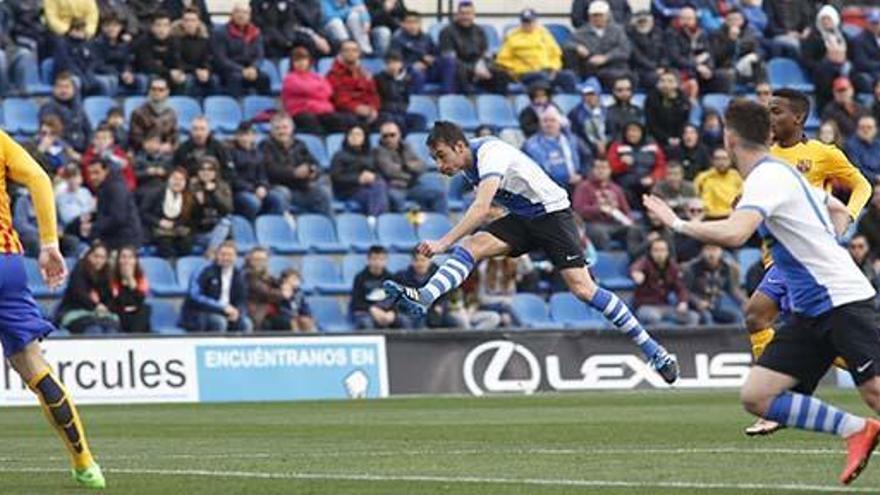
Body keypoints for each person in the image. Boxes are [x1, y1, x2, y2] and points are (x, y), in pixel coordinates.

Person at [642, 98, 880, 485]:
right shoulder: (779, 174)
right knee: (759, 395)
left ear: (730, 138)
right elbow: (837, 208)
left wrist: (677, 224)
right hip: (810, 309)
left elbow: (736, 233)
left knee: (874, 391)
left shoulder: (767, 178)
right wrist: (828, 238)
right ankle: (856, 430)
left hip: (840, 299)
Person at [383, 121, 679, 382]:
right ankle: (425, 296)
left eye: (441, 156)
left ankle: (654, 351)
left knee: (584, 290)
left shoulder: (490, 153)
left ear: (460, 146)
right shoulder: (469, 164)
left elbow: (482, 208)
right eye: (435, 159)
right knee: (472, 246)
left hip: (553, 216)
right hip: (525, 218)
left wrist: (442, 242)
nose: (439, 164)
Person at [737, 88, 875, 434]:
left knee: (756, 314)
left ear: (798, 118)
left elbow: (861, 185)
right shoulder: (763, 158)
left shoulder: (821, 153)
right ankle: (781, 397)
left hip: (806, 258)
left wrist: (847, 220)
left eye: (776, 111)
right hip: (778, 256)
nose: (769, 118)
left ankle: (775, 403)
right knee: (785, 325)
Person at [0, 128, 105, 486]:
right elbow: (40, 178)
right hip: (7, 262)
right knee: (33, 364)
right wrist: (48, 243)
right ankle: (85, 463)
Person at [261, 114, 332, 215]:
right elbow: (270, 170)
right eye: (277, 128)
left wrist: (312, 171)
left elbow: (315, 164)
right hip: (277, 188)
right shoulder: (265, 146)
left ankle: (326, 226)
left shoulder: (300, 144)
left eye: (285, 127)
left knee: (322, 192)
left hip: (300, 188)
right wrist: (294, 173)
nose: (282, 131)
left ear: (291, 128)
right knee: (282, 193)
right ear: (272, 131)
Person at [495, 9, 577, 94]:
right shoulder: (513, 37)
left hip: (548, 71)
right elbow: (502, 61)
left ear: (535, 21)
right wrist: (517, 71)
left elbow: (556, 54)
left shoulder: (544, 33)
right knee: (541, 77)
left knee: (568, 76)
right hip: (526, 73)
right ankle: (547, 101)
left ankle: (570, 103)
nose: (528, 25)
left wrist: (554, 69)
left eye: (530, 22)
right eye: (525, 22)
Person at [374, 120, 448, 214]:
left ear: (399, 135)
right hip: (393, 188)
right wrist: (411, 169)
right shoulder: (378, 151)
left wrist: (406, 167)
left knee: (438, 194)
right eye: (385, 136)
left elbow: (422, 166)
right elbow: (390, 171)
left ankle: (442, 223)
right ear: (381, 137)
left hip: (412, 186)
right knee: (397, 201)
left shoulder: (406, 147)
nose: (389, 138)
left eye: (392, 135)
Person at [181, 240, 252, 332]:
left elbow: (242, 299)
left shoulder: (239, 274)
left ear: (236, 257)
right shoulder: (203, 270)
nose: (226, 258)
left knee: (246, 323)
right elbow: (195, 296)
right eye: (223, 254)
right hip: (202, 312)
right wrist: (221, 307)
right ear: (217, 255)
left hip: (228, 312)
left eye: (230, 255)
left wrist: (238, 312)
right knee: (219, 322)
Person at [438, 0, 508, 94]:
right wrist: (473, 69)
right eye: (462, 13)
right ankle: (466, 103)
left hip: (479, 68)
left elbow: (485, 53)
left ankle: (498, 104)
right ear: (457, 14)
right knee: (458, 70)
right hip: (460, 69)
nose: (465, 17)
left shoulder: (479, 31)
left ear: (473, 15)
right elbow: (450, 59)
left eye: (468, 13)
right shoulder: (446, 32)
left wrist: (482, 65)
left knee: (501, 75)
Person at [281, 46, 354, 135]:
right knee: (311, 122)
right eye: (297, 61)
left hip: (320, 110)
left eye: (304, 60)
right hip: (300, 111)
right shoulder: (289, 78)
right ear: (292, 63)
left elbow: (328, 91)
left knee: (336, 121)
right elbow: (304, 89)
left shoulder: (317, 76)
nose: (301, 63)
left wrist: (312, 90)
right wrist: (317, 89)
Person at [630, 238, 700, 326]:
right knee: (652, 317)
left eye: (662, 250)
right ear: (650, 252)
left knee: (693, 317)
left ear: (667, 252)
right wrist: (636, 273)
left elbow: (681, 288)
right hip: (645, 306)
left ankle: (687, 340)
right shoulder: (645, 263)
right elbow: (636, 267)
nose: (659, 254)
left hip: (665, 306)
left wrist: (683, 302)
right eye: (656, 250)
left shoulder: (672, 267)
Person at [564, 0, 631, 89]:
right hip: (594, 70)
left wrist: (606, 58)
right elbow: (566, 44)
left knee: (631, 77)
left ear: (607, 16)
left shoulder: (617, 31)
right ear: (589, 17)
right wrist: (577, 47)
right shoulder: (581, 32)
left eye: (600, 15)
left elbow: (625, 50)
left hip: (615, 66)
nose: (597, 18)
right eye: (594, 15)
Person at [522, 105, 590, 191]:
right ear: (540, 124)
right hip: (546, 189)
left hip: (575, 185)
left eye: (552, 120)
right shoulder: (530, 145)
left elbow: (587, 158)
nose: (549, 124)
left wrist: (581, 175)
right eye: (545, 121)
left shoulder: (573, 140)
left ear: (559, 123)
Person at [572, 158, 634, 250]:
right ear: (592, 170)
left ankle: (633, 260)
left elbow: (626, 210)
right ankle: (605, 260)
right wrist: (599, 209)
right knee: (600, 232)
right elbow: (578, 210)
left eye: (604, 168)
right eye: (598, 168)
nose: (601, 171)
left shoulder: (616, 189)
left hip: (615, 224)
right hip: (592, 224)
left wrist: (630, 221)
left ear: (610, 170)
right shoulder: (583, 187)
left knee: (634, 230)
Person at [229, 123, 285, 221]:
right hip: (239, 192)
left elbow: (263, 175)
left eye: (249, 135)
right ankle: (250, 227)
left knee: (278, 199)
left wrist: (263, 186)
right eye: (242, 135)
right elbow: (232, 178)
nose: (245, 138)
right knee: (253, 202)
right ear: (236, 136)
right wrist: (253, 189)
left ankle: (270, 226)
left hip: (257, 189)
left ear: (254, 137)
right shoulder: (229, 152)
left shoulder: (258, 153)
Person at [390, 10, 456, 94]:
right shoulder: (398, 39)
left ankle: (448, 95)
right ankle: (418, 102)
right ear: (403, 24)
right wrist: (412, 65)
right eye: (409, 22)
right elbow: (395, 62)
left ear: (420, 24)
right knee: (417, 72)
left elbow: (438, 54)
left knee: (449, 59)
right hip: (411, 72)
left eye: (416, 22)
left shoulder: (426, 37)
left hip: (429, 70)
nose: (413, 25)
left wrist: (433, 59)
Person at [330, 125, 389, 216]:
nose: (354, 137)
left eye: (358, 135)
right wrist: (358, 179)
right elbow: (336, 177)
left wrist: (373, 176)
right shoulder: (339, 156)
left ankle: (375, 219)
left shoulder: (371, 154)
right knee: (376, 194)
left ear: (364, 138)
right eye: (351, 134)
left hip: (370, 187)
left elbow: (381, 172)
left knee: (380, 185)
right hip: (350, 191)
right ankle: (376, 220)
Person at [84, 159, 143, 250]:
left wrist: (94, 227)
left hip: (124, 241)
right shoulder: (105, 187)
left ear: (106, 171)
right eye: (90, 173)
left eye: (96, 173)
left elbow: (118, 217)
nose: (92, 177)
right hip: (116, 237)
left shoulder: (115, 188)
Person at [214, 2, 270, 97]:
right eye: (238, 12)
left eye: (245, 13)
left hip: (250, 68)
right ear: (232, 15)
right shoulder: (220, 32)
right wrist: (242, 70)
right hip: (230, 69)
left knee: (264, 78)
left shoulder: (255, 32)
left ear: (249, 15)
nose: (241, 15)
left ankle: (265, 109)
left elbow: (260, 55)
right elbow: (221, 59)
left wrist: (253, 68)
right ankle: (237, 106)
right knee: (236, 78)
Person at [607, 120, 667, 208]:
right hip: (625, 184)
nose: (632, 134)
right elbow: (611, 167)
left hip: (648, 182)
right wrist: (623, 164)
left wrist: (653, 178)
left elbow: (661, 165)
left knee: (657, 191)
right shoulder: (617, 146)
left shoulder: (652, 146)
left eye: (635, 131)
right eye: (629, 131)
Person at [684, 243, 746, 324]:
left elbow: (732, 290)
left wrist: (744, 302)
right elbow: (685, 291)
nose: (711, 254)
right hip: (698, 306)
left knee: (738, 316)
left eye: (715, 250)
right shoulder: (691, 268)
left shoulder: (727, 268)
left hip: (717, 305)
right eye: (708, 249)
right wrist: (697, 302)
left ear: (721, 252)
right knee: (707, 317)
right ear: (702, 252)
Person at [141, 168, 194, 258]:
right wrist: (159, 222)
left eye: (181, 180)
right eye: (175, 178)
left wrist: (176, 225)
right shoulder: (156, 193)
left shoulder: (187, 197)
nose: (177, 182)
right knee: (166, 243)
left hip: (176, 230)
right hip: (156, 229)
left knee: (186, 244)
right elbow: (143, 213)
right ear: (168, 179)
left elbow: (188, 219)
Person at [327, 40, 381, 127]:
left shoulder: (365, 73)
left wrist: (372, 108)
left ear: (359, 53)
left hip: (367, 110)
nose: (350, 53)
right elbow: (339, 99)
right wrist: (357, 108)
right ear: (341, 53)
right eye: (347, 50)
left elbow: (373, 94)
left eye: (354, 50)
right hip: (345, 112)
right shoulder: (333, 74)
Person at [252, 0, 331, 59]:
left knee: (331, 43)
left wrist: (289, 38)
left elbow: (289, 21)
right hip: (270, 34)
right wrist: (284, 39)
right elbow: (263, 24)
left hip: (287, 33)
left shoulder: (315, 3)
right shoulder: (258, 2)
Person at [53, 19, 112, 96]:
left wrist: (89, 72)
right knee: (76, 81)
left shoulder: (88, 44)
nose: (79, 32)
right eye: (77, 29)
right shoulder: (62, 43)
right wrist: (81, 75)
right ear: (70, 30)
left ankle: (103, 105)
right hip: (67, 75)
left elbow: (94, 61)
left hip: (86, 74)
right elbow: (66, 63)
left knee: (105, 82)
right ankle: (77, 106)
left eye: (82, 30)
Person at [38, 72, 92, 153]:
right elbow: (51, 135)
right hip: (61, 152)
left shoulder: (79, 107)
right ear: (54, 89)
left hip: (82, 151)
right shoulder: (48, 108)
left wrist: (89, 151)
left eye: (67, 87)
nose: (63, 90)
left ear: (74, 89)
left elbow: (88, 129)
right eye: (60, 87)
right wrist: (69, 151)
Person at [189, 157, 233, 255]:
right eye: (202, 169)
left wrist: (213, 193)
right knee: (223, 244)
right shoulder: (191, 187)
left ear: (215, 172)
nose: (206, 172)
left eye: (210, 169)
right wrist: (198, 203)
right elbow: (189, 214)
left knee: (225, 222)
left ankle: (211, 251)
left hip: (218, 231)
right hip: (199, 232)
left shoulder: (222, 186)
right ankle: (213, 250)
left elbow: (227, 209)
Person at [374, 50, 426, 133]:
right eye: (389, 63)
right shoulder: (378, 78)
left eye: (395, 62)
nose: (392, 66)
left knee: (419, 119)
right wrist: (393, 79)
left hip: (402, 111)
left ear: (401, 64)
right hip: (386, 112)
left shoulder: (407, 78)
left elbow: (408, 98)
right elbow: (380, 98)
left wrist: (399, 79)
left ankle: (414, 141)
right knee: (394, 119)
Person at [172, 7, 218, 97]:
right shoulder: (175, 40)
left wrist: (206, 70)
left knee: (214, 80)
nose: (190, 24)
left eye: (193, 20)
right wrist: (195, 71)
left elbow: (208, 58)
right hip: (185, 72)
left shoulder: (205, 40)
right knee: (187, 80)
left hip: (200, 71)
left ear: (198, 22)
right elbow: (177, 61)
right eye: (186, 20)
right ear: (182, 23)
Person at [93, 13, 142, 96]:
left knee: (141, 80)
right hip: (105, 74)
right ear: (102, 28)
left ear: (120, 27)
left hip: (122, 74)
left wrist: (127, 71)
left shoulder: (124, 43)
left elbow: (127, 61)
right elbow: (99, 65)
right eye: (108, 26)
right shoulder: (96, 43)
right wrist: (120, 74)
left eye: (115, 26)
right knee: (111, 80)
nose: (111, 29)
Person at [352, 245, 398, 329]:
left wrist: (392, 312)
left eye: (381, 259)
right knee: (367, 323)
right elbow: (357, 302)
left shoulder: (391, 278)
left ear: (386, 261)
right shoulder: (360, 278)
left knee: (404, 321)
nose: (378, 262)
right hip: (366, 312)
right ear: (368, 260)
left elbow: (395, 300)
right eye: (374, 259)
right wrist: (372, 309)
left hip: (386, 312)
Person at [645, 71, 691, 152]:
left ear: (677, 84)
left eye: (670, 81)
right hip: (657, 137)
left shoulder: (684, 100)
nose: (666, 84)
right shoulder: (651, 98)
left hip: (678, 137)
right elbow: (651, 124)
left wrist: (679, 138)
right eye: (662, 81)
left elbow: (684, 122)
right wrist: (667, 139)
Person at [129, 77, 178, 152]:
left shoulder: (171, 113)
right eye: (154, 89)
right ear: (149, 91)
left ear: (167, 92)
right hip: (144, 152)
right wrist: (145, 144)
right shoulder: (138, 112)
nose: (157, 92)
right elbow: (134, 137)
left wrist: (169, 145)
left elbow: (175, 136)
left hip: (166, 153)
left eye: (161, 90)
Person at [80, 124, 136, 192]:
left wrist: (126, 190)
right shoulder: (88, 156)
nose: (101, 141)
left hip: (122, 191)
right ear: (93, 140)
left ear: (111, 140)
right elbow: (90, 181)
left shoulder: (118, 153)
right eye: (98, 138)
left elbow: (130, 177)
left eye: (104, 138)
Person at [109, 245, 151, 333]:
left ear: (135, 261)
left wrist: (130, 280)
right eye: (123, 257)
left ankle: (135, 338)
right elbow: (116, 301)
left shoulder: (141, 278)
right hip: (119, 313)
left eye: (130, 257)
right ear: (118, 260)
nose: (126, 261)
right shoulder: (112, 278)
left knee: (145, 309)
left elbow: (140, 299)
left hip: (136, 315)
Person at [694, 148, 743, 220]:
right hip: (708, 217)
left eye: (724, 158)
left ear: (730, 161)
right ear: (713, 161)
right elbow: (696, 197)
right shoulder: (703, 177)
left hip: (732, 216)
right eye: (718, 159)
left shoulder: (737, 176)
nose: (721, 162)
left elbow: (741, 197)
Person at [242, 246, 284, 330]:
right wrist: (283, 292)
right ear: (249, 260)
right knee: (273, 324)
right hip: (257, 313)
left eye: (263, 260)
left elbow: (281, 286)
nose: (260, 262)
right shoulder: (247, 275)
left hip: (270, 312)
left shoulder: (268, 277)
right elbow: (267, 293)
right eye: (256, 259)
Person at [627, 10, 667, 92]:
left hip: (660, 68)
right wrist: (655, 68)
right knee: (655, 79)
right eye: (640, 22)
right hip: (641, 69)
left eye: (645, 21)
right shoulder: (630, 36)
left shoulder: (659, 33)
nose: (643, 24)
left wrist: (663, 66)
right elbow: (637, 57)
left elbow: (665, 52)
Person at [568, 80, 607, 156]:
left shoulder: (606, 110)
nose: (590, 97)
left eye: (592, 94)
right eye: (586, 94)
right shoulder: (575, 114)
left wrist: (605, 143)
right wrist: (595, 144)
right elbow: (574, 135)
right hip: (586, 150)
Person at [605, 76, 644, 140]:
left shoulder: (638, 110)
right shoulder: (607, 112)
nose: (624, 93)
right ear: (613, 91)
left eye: (628, 89)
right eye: (620, 90)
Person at [852, 10, 880, 95]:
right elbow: (861, 62)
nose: (875, 26)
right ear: (867, 23)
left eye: (877, 23)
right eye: (873, 23)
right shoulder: (859, 40)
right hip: (870, 73)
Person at [845, 115, 880, 181]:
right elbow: (857, 169)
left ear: (875, 130)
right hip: (862, 183)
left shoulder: (878, 144)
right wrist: (876, 178)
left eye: (869, 127)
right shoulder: (850, 145)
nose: (865, 130)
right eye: (862, 127)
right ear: (857, 129)